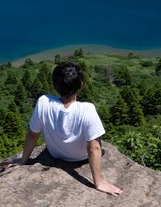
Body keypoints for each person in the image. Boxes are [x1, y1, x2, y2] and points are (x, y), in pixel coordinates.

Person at [18, 62, 122, 195]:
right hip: (81, 157)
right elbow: (94, 148)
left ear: (54, 84)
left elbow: (33, 134)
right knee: (99, 144)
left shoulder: (43, 102)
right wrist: (99, 182)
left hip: (55, 154)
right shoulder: (87, 109)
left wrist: (23, 160)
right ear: (81, 85)